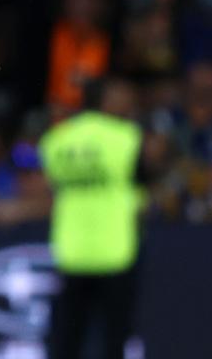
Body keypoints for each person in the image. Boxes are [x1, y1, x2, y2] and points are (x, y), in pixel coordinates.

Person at [39, 78, 147, 359]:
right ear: (105, 100)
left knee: (67, 339)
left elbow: (49, 186)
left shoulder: (56, 140)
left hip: (72, 250)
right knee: (115, 340)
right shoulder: (126, 136)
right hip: (115, 250)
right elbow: (143, 179)